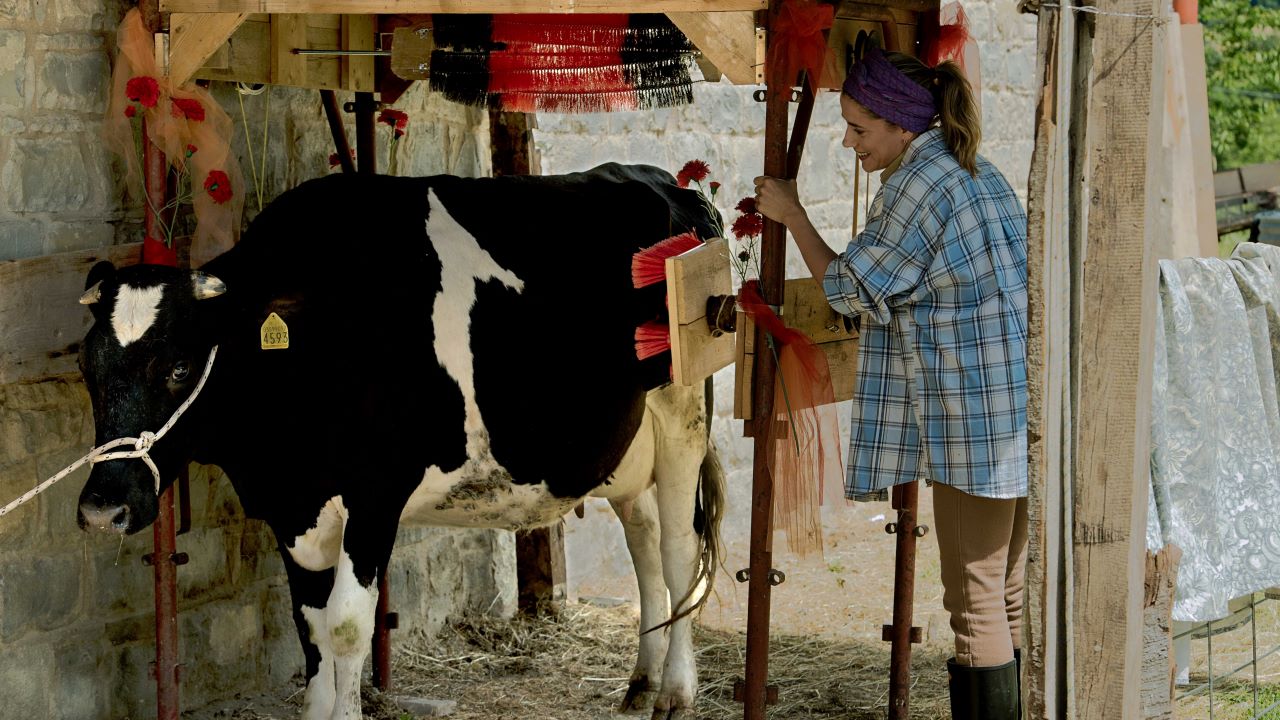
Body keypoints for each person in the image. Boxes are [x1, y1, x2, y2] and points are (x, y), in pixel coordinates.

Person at [754, 43, 1028, 720]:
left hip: (974, 419)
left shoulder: (918, 185)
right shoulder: (973, 170)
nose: (848, 143)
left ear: (904, 126)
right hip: (1015, 407)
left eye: (859, 129)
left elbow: (850, 288)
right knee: (1006, 590)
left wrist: (793, 217)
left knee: (973, 600)